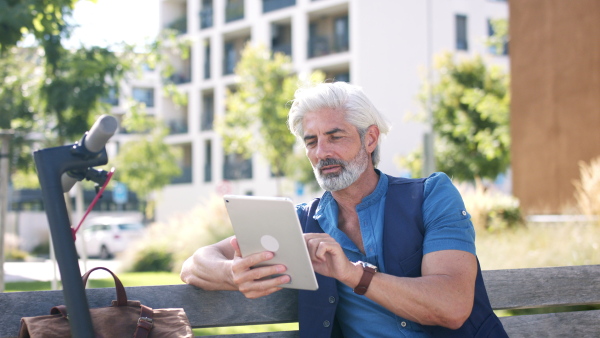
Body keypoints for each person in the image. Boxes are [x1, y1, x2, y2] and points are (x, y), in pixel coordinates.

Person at [180, 82, 508, 337]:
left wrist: (351, 273)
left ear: (370, 139)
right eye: (311, 141)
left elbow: (451, 307)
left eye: (335, 137)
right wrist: (232, 274)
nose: (322, 152)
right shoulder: (299, 222)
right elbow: (194, 266)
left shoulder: (431, 196)